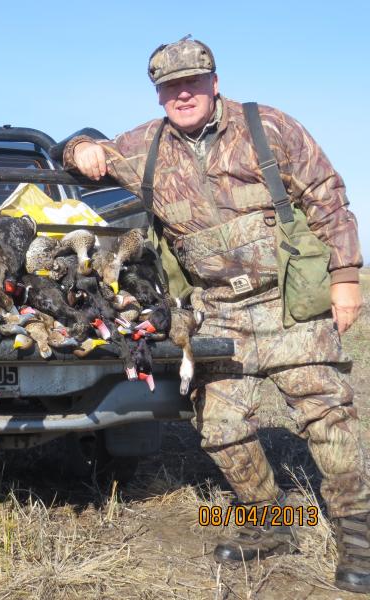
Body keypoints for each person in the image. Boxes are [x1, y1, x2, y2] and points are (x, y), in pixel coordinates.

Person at [64, 37, 370, 593]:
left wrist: (345, 280)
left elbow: (329, 196)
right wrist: (82, 145)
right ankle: (274, 522)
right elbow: (75, 150)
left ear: (214, 81)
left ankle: (359, 535)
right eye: (169, 87)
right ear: (158, 95)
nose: (182, 94)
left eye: (192, 82)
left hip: (286, 304)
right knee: (222, 431)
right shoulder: (143, 147)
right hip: (217, 314)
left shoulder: (267, 127)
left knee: (328, 417)